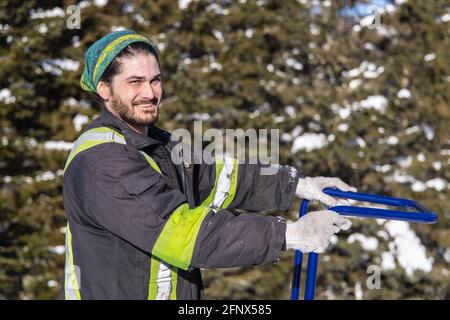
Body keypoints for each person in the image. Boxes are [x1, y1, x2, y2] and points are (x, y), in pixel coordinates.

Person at [62, 29, 355, 300]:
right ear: (104, 89)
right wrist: (288, 234)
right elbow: (183, 233)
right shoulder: (103, 162)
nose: (150, 93)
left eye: (155, 80)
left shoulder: (158, 146)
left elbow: (221, 179)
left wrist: (297, 186)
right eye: (135, 82)